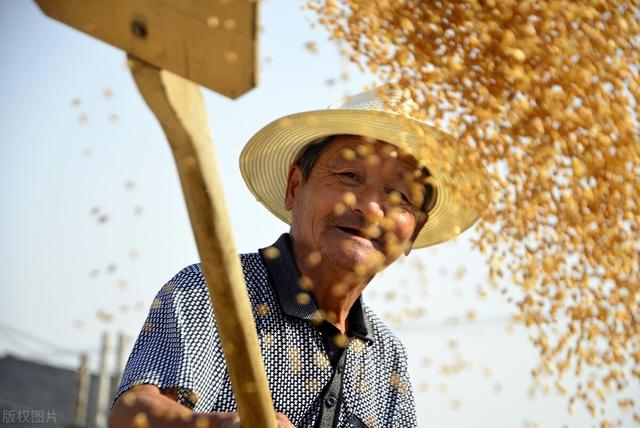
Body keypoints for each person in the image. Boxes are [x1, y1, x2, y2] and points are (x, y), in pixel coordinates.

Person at [109, 87, 489, 427]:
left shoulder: (387, 355)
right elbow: (133, 413)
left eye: (399, 197)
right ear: (294, 187)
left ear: (414, 232)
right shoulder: (218, 291)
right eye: (349, 176)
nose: (372, 210)